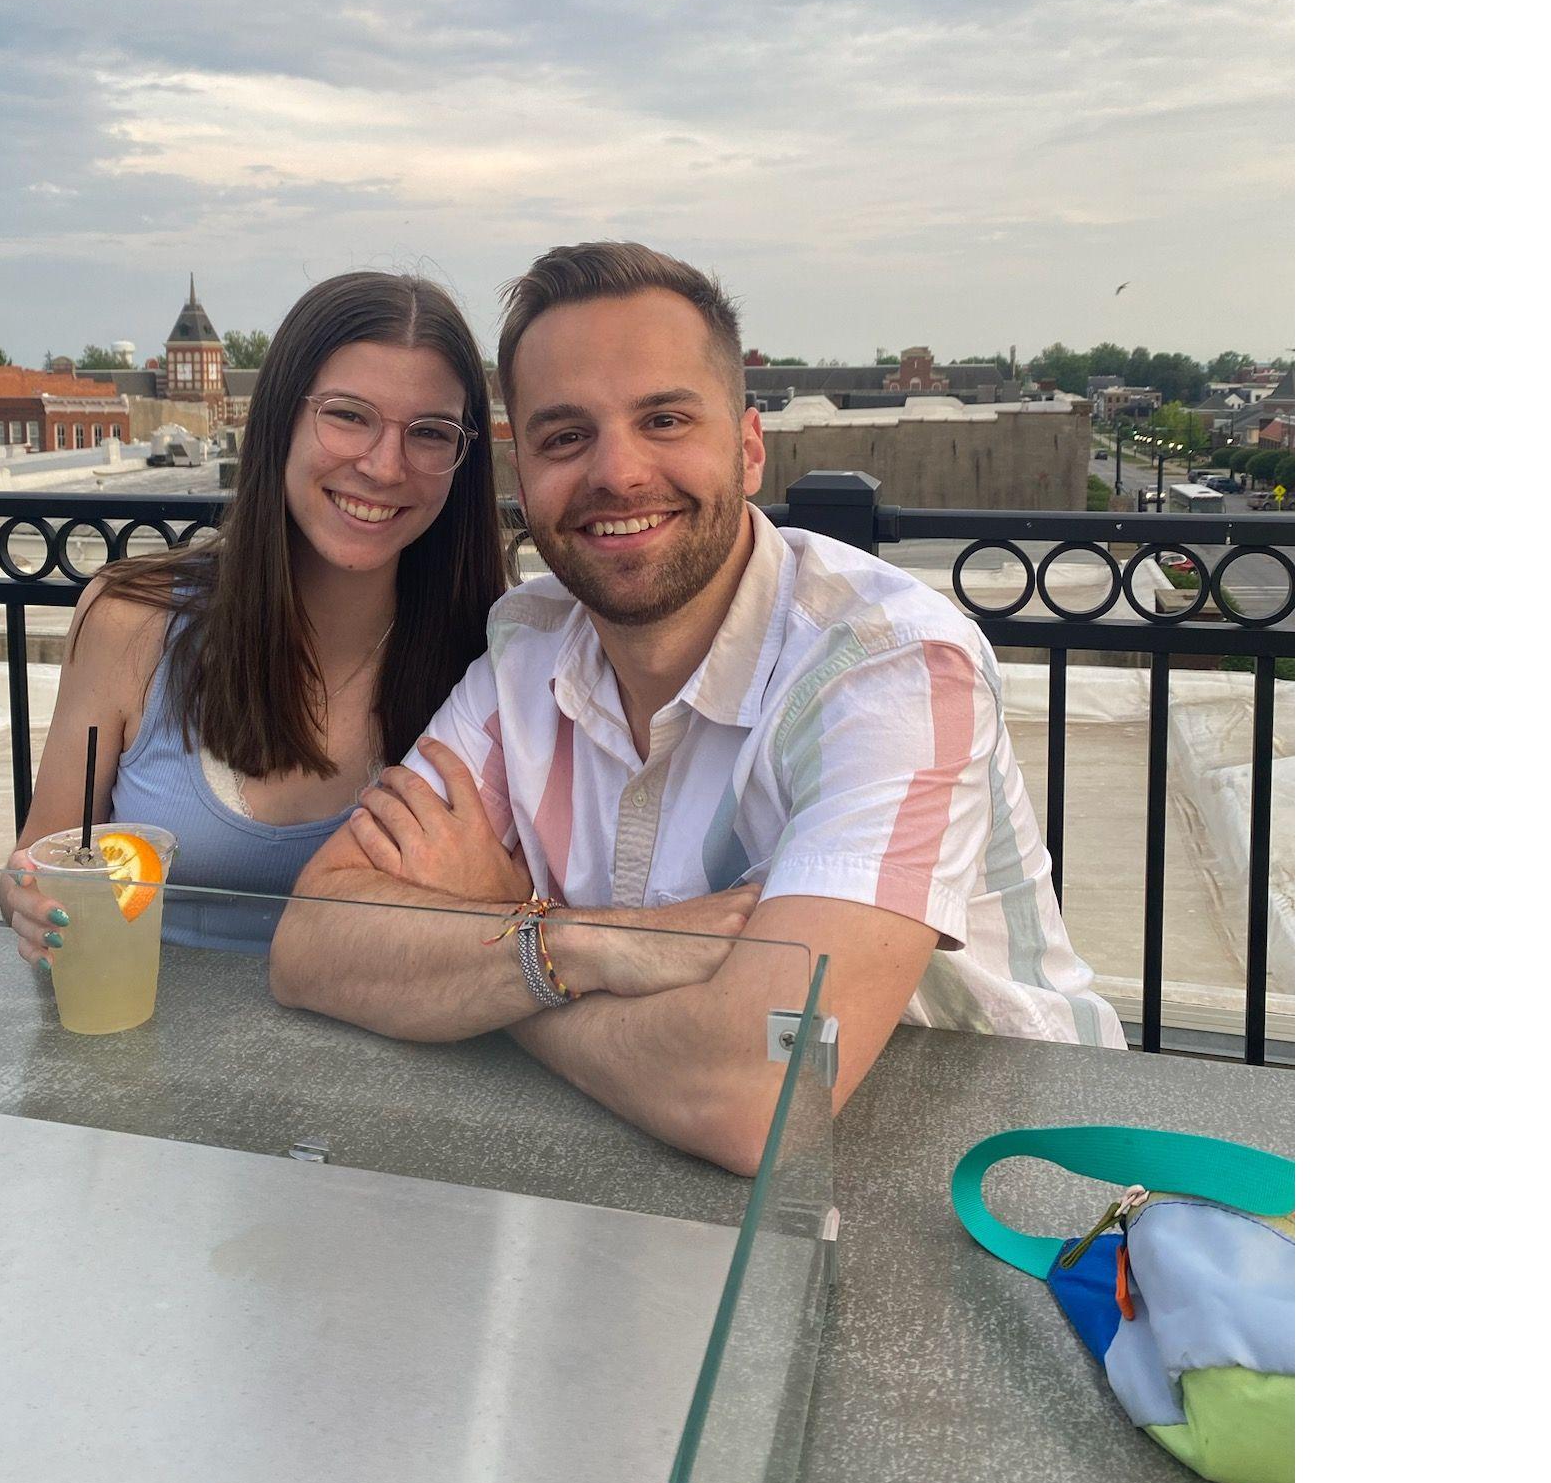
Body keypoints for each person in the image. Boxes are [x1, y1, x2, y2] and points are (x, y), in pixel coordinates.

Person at [270, 241, 1122, 1174]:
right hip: (652, 1178)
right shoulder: (528, 647)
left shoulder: (887, 667)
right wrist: (581, 944)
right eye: (564, 436)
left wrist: (505, 928)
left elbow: (755, 1093)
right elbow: (313, 939)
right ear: (524, 478)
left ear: (749, 447)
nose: (620, 473)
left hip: (1012, 1180)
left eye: (665, 419)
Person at [0, 271, 508, 964]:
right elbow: (38, 860)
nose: (386, 466)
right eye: (349, 415)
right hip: (137, 1041)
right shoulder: (132, 625)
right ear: (279, 421)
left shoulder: (493, 657)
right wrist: (28, 902)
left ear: (463, 457)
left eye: (429, 432)